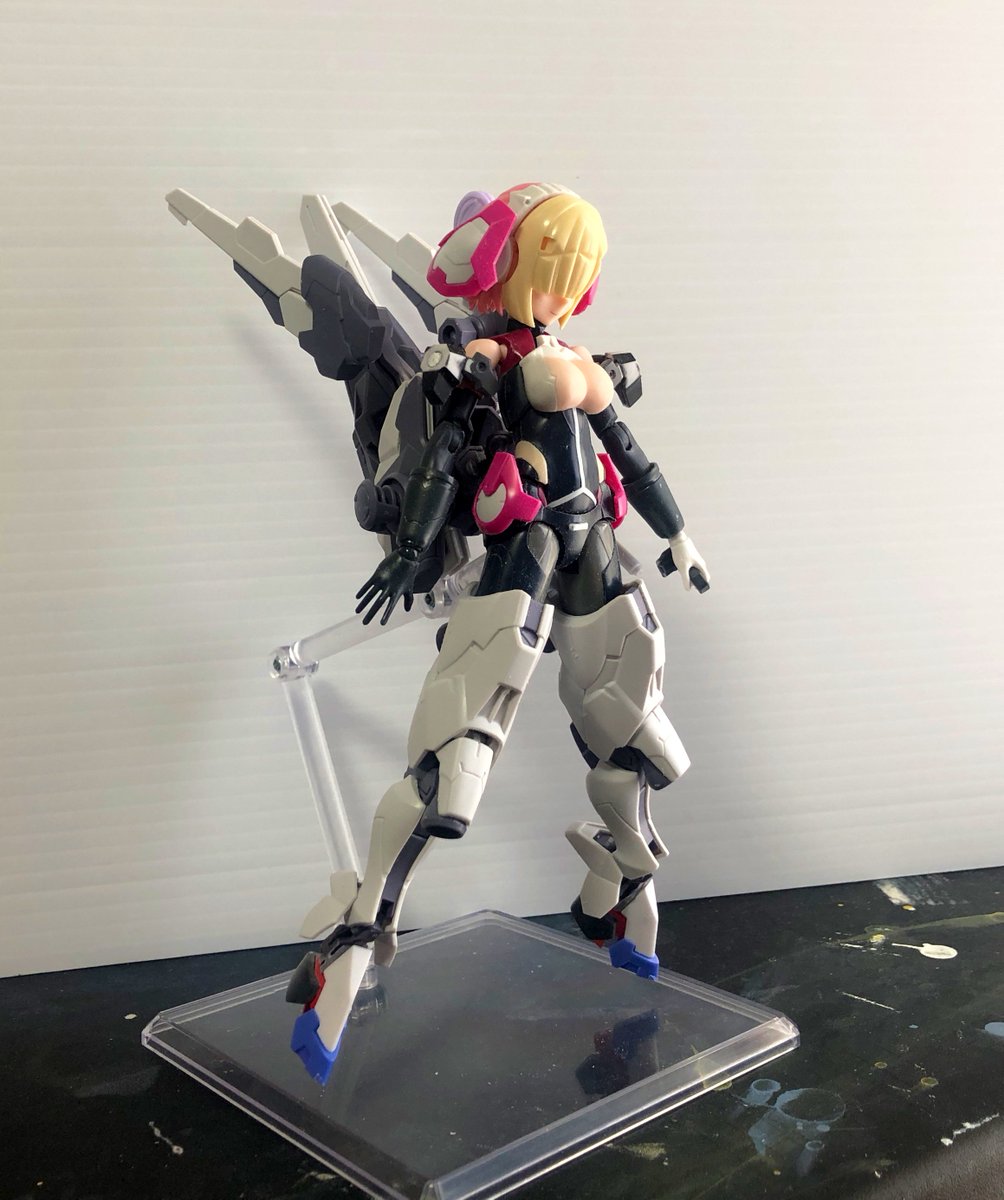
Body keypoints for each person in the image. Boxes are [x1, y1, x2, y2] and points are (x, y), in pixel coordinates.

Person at [287, 183, 710, 1083]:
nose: (563, 288)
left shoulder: (576, 358)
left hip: (596, 555)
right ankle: (355, 936)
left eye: (577, 273)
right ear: (507, 264)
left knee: (636, 741)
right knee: (451, 775)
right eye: (553, 267)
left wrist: (677, 534)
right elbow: (444, 459)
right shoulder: (481, 358)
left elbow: (628, 454)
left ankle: (621, 884)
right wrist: (411, 549)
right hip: (526, 552)